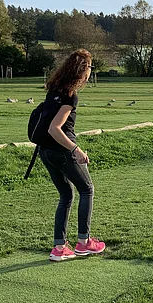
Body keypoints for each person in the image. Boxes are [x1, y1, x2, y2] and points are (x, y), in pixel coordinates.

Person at [38, 49, 106, 262]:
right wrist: (76, 149)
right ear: (82, 70)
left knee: (66, 195)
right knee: (87, 189)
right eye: (89, 68)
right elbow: (54, 128)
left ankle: (59, 247)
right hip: (61, 150)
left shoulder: (54, 90)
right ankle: (84, 243)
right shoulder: (70, 96)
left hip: (45, 151)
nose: (90, 72)